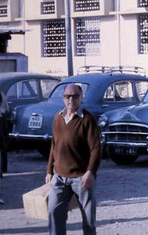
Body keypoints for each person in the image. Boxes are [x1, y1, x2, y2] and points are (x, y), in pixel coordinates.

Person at [47, 84, 101, 235]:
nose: (71, 99)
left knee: (89, 220)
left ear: (81, 98)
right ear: (63, 98)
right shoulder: (58, 117)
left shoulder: (88, 119)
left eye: (75, 96)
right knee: (54, 215)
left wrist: (90, 172)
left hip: (81, 177)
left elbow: (96, 148)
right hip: (59, 177)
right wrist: (49, 170)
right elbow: (54, 145)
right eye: (67, 96)